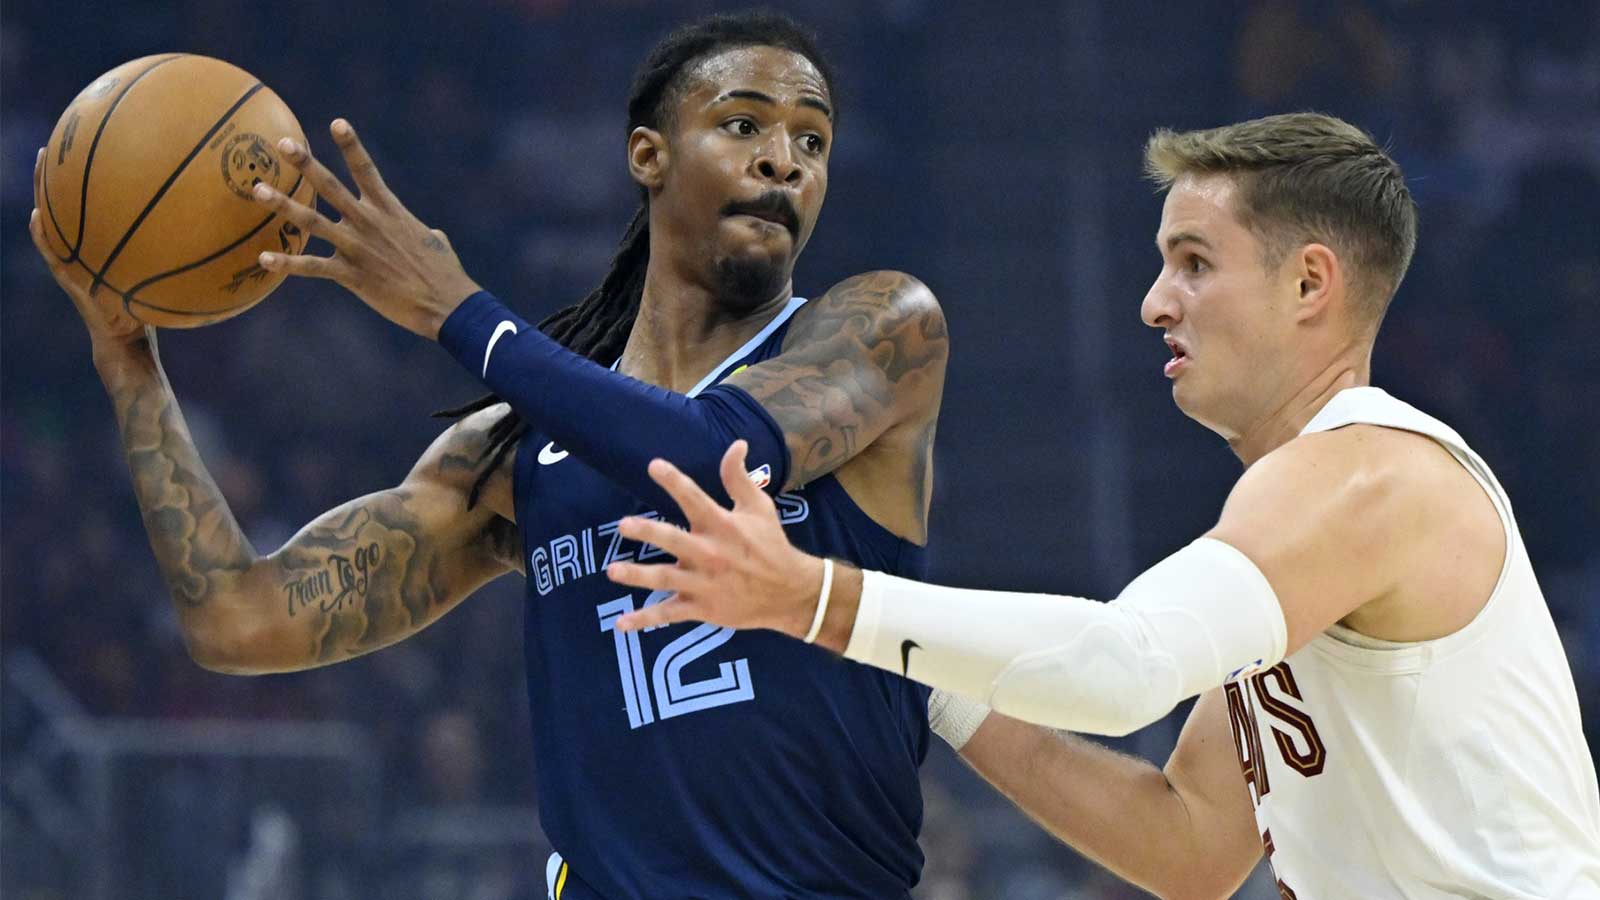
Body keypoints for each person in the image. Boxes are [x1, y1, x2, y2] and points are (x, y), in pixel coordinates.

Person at [30, 12, 959, 899]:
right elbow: (242, 620)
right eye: (745, 122)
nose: (783, 159)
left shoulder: (880, 330)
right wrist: (130, 363)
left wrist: (458, 312)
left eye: (813, 141)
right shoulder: (512, 458)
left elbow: (718, 452)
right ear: (649, 155)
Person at [601, 112, 1600, 898]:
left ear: (1309, 283)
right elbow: (1189, 847)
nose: (1153, 302)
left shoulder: (1367, 476)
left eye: (1195, 264)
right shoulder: (1301, 522)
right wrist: (913, 678)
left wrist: (815, 596)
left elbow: (1122, 669)